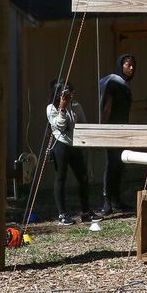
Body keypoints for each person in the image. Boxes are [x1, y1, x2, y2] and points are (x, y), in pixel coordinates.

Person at [46, 80, 102, 225]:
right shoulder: (51, 108)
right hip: (61, 144)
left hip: (75, 145)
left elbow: (83, 124)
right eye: (66, 92)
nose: (70, 94)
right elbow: (60, 126)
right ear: (58, 94)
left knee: (83, 178)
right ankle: (62, 214)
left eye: (71, 91)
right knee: (60, 179)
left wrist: (90, 142)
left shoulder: (76, 106)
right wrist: (62, 108)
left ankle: (86, 212)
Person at [98, 54, 136, 216]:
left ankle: (116, 200)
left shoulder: (124, 85)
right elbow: (106, 107)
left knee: (119, 164)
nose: (131, 68)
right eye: (128, 65)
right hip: (111, 130)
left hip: (122, 130)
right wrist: (104, 131)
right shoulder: (113, 83)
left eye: (133, 65)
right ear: (121, 65)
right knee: (111, 165)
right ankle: (107, 202)